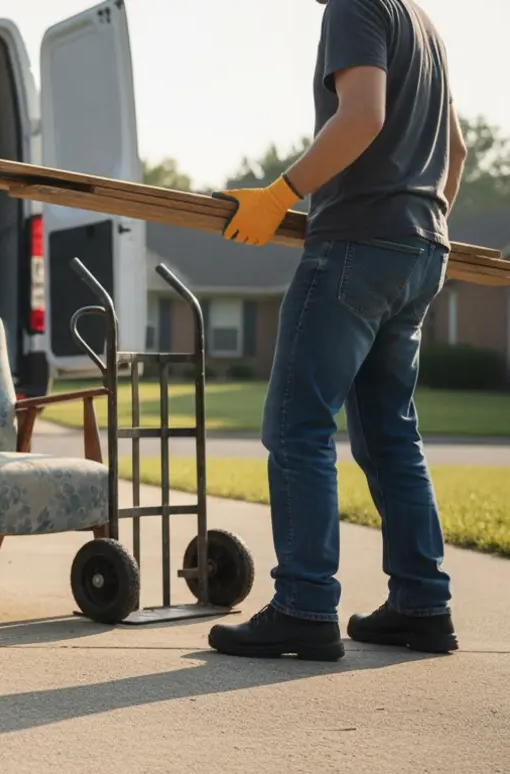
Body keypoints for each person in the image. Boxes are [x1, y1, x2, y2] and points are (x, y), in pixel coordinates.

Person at [205, 0, 465, 661]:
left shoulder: (356, 4)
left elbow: (364, 115)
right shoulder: (423, 25)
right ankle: (421, 604)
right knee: (389, 435)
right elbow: (455, 152)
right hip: (421, 249)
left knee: (298, 423)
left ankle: (304, 604)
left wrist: (280, 193)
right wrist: (420, 226)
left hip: (356, 243)